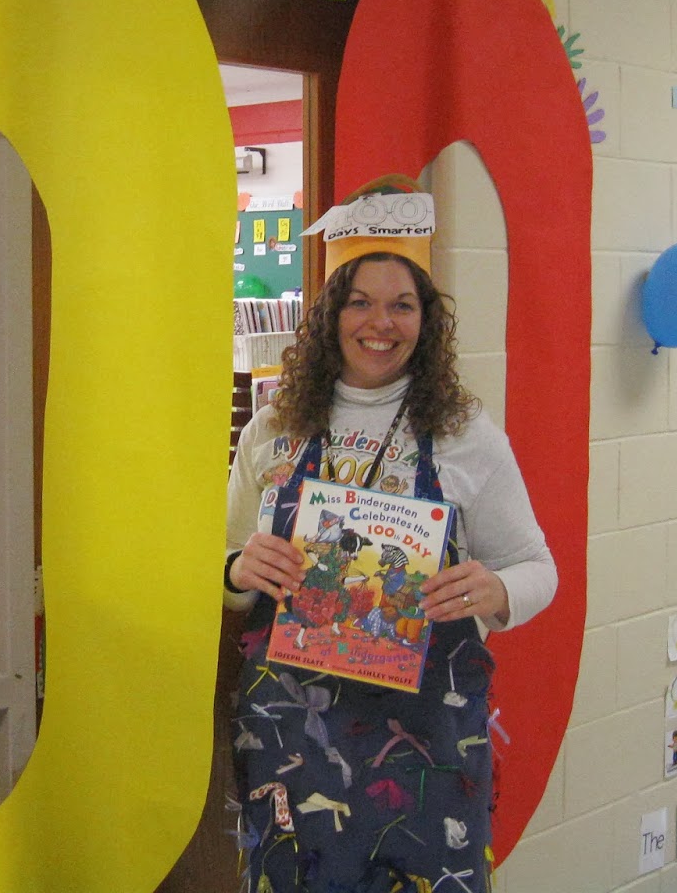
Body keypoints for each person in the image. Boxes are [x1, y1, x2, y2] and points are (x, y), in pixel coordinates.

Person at [223, 179, 557, 893]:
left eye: (402, 304)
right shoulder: (272, 429)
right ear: (330, 312)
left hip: (426, 745)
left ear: (426, 318)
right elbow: (216, 564)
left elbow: (537, 567)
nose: (381, 323)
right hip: (292, 745)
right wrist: (235, 569)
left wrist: (496, 587)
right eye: (361, 302)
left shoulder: (466, 435)